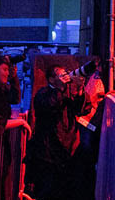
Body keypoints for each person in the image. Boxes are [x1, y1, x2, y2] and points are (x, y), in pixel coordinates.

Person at [25, 64, 91, 200]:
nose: (65, 78)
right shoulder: (43, 93)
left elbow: (83, 110)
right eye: (61, 75)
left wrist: (79, 89)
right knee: (47, 192)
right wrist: (60, 89)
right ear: (51, 79)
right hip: (48, 154)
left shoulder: (67, 93)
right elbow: (49, 106)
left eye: (65, 74)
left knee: (66, 192)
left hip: (68, 152)